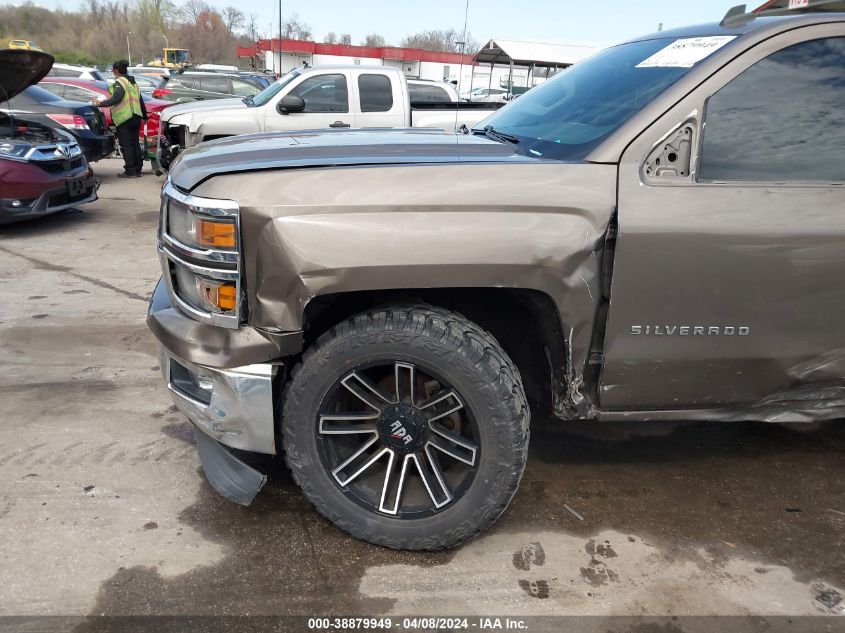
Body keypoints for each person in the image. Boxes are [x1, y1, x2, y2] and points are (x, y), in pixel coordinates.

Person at [92, 60, 147, 178]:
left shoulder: (120, 82)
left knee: (126, 145)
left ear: (116, 70)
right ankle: (138, 169)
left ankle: (130, 171)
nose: (112, 72)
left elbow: (116, 98)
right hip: (136, 117)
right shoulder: (134, 83)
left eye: (113, 70)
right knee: (135, 143)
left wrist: (100, 103)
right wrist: (145, 116)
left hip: (124, 117)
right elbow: (141, 101)